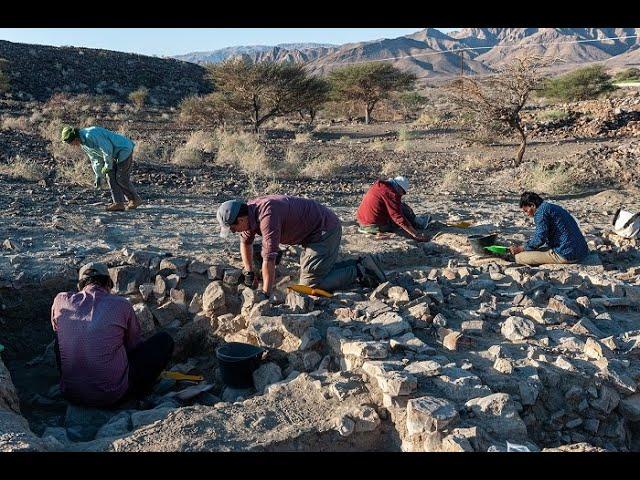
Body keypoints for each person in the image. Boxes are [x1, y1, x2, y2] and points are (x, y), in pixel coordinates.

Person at [51, 262, 174, 408]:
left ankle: (76, 380)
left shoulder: (61, 300)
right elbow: (133, 345)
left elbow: (57, 329)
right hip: (112, 396)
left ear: (80, 285)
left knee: (60, 339)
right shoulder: (121, 304)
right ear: (109, 283)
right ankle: (141, 393)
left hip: (71, 394)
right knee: (164, 340)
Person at [216, 195, 387, 295]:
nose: (233, 231)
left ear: (242, 218)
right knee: (309, 271)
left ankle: (360, 270)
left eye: (233, 227)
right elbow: (245, 242)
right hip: (309, 233)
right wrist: (248, 271)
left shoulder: (267, 217)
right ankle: (346, 265)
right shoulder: (248, 213)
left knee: (310, 286)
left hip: (324, 231)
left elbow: (269, 258)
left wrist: (265, 295)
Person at [60, 125, 143, 212]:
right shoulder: (84, 144)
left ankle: (135, 199)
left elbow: (107, 149)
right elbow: (95, 159)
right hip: (112, 155)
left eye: (70, 143)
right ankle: (119, 203)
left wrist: (107, 165)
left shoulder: (91, 135)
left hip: (123, 149)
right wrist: (98, 175)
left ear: (75, 138)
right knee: (110, 177)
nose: (71, 145)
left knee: (121, 178)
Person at [510, 192, 589, 266]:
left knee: (519, 257)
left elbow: (540, 239)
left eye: (526, 211)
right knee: (535, 250)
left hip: (567, 254)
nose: (527, 214)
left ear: (532, 205)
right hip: (582, 251)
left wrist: (522, 248)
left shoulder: (541, 213)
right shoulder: (551, 207)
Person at [356, 176, 430, 242]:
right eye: (403, 193)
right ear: (399, 188)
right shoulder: (391, 193)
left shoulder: (379, 185)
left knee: (400, 206)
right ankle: (418, 223)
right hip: (373, 226)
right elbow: (397, 216)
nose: (401, 195)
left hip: (362, 221)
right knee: (403, 212)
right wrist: (415, 234)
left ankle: (416, 220)